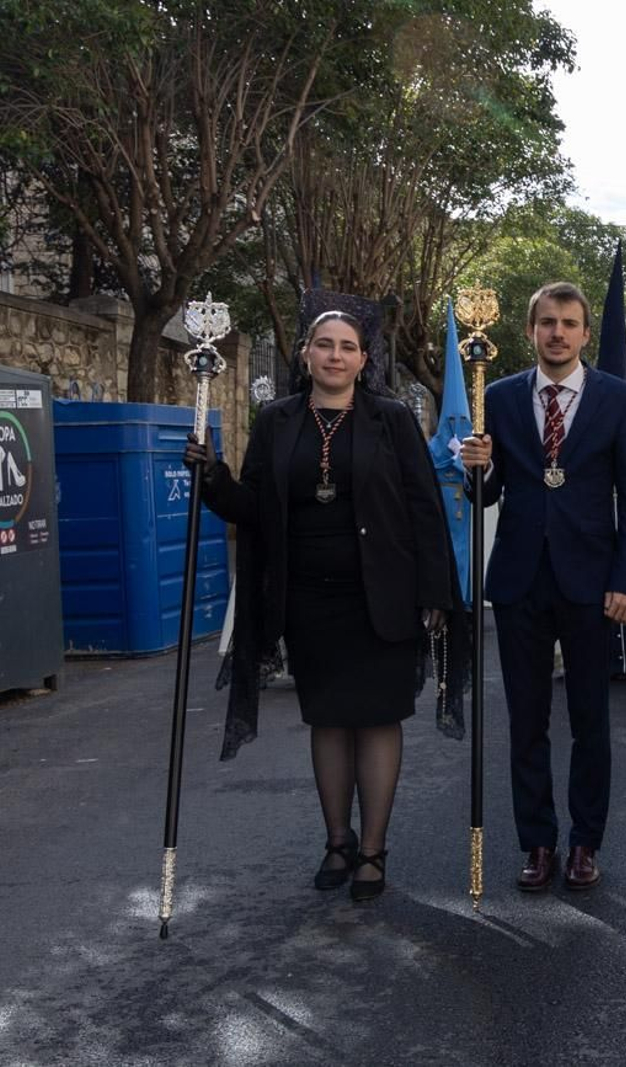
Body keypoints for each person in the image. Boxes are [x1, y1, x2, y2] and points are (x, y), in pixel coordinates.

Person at [186, 296, 455, 903]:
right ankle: (337, 840)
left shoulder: (393, 420)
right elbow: (253, 507)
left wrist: (435, 588)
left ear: (364, 360)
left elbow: (424, 509)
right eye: (324, 345)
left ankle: (372, 852)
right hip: (308, 600)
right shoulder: (277, 421)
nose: (336, 355)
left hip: (382, 595)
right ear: (305, 355)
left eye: (348, 347)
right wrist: (214, 478)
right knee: (328, 718)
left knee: (378, 718)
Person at [459, 282, 626, 893]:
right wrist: (477, 469)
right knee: (526, 721)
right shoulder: (501, 397)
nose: (557, 333)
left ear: (585, 334)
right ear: (530, 330)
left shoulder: (619, 400)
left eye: (569, 323)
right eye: (546, 322)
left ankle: (585, 842)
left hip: (593, 584)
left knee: (589, 719)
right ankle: (537, 842)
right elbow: (486, 495)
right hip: (520, 581)